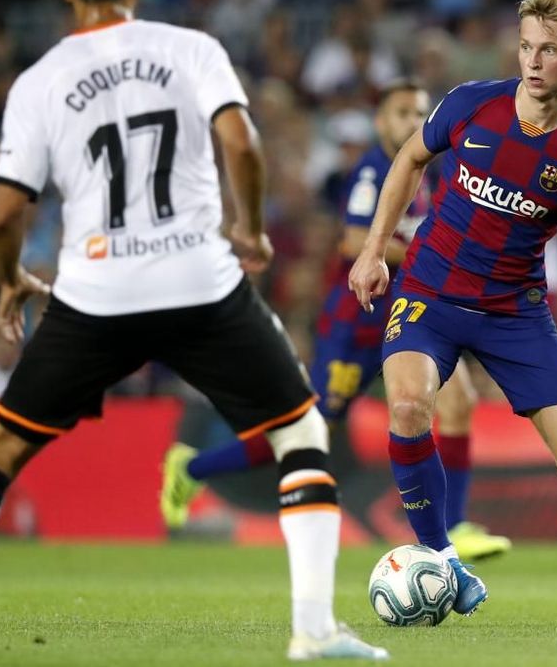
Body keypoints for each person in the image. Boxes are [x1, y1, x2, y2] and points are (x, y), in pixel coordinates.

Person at [0, 0, 386, 661]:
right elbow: (242, 143)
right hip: (201, 283)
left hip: (96, 294)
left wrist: (9, 279)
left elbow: (5, 211)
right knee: (300, 434)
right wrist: (251, 229)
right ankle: (314, 631)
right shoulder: (192, 50)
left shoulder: (39, 83)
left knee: (2, 449)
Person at [348, 0, 557, 628]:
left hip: (515, 312)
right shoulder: (471, 105)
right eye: (526, 46)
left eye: (551, 50)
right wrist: (375, 250)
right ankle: (443, 559)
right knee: (407, 404)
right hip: (430, 289)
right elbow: (408, 160)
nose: (533, 61)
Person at [159, 81, 511, 561]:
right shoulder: (372, 171)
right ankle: (193, 467)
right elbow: (353, 242)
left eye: (421, 113)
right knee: (311, 429)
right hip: (358, 324)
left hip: (412, 315)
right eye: (402, 112)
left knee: (459, 401)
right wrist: (434, 256)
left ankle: (456, 526)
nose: (414, 121)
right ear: (380, 123)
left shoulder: (430, 170)